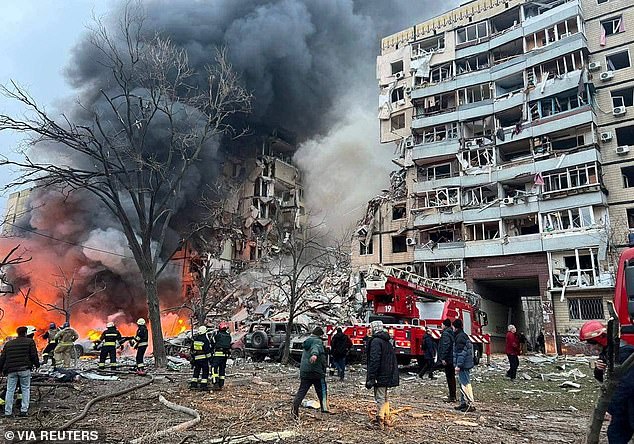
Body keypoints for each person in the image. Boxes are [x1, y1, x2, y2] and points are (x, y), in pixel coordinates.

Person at [579, 320, 634, 443]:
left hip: (629, 400)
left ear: (600, 340)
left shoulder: (623, 354)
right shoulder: (607, 353)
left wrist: (611, 408)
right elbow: (604, 380)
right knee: (615, 434)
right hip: (623, 404)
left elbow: (626, 385)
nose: (592, 348)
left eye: (592, 344)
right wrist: (599, 370)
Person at [0, 326, 40, 417]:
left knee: (10, 390)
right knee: (25, 389)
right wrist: (37, 365)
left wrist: (0, 369)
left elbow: (2, 358)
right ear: (26, 333)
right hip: (24, 369)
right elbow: (34, 355)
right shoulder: (30, 342)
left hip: (11, 370)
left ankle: (8, 412)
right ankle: (23, 411)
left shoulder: (9, 343)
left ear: (17, 333)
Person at [365, 320, 399, 426]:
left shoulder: (375, 342)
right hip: (387, 373)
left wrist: (371, 377)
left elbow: (374, 360)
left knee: (379, 396)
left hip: (379, 374)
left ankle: (380, 419)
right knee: (383, 396)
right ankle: (385, 415)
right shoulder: (387, 341)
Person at [291, 326, 329, 419]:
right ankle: (324, 409)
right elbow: (315, 349)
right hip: (316, 372)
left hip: (305, 372)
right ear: (320, 335)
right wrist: (315, 355)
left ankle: (294, 409)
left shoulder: (307, 341)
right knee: (322, 391)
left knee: (302, 391)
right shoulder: (317, 341)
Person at [453, 319, 475, 413]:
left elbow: (461, 353)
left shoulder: (460, 337)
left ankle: (470, 403)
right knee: (463, 384)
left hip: (463, 365)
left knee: (465, 384)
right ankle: (463, 403)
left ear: (455, 327)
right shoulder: (463, 335)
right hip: (465, 364)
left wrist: (458, 365)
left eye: (453, 326)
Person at [438, 318, 457, 402]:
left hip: (448, 359)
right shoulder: (451, 332)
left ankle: (452, 396)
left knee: (449, 377)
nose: (441, 326)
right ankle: (453, 395)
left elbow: (445, 346)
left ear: (445, 325)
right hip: (452, 358)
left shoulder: (445, 334)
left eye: (442, 324)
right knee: (452, 377)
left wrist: (443, 358)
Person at [211, 322, 232, 390]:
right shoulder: (228, 336)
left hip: (218, 355)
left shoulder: (218, 335)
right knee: (222, 369)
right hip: (225, 355)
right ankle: (221, 384)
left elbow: (213, 342)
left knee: (214, 368)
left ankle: (215, 383)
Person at [190, 326, 212, 390]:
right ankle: (203, 385)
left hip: (196, 359)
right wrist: (210, 359)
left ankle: (193, 384)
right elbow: (207, 351)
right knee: (205, 371)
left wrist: (193, 357)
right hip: (203, 359)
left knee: (196, 371)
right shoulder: (205, 340)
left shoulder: (195, 339)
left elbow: (192, 349)